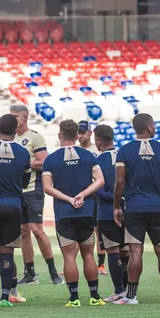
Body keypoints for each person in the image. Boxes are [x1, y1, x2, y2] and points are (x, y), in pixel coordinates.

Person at [112, 113, 160, 305]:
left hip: (134, 208)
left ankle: (132, 296)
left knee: (135, 251)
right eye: (154, 125)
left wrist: (116, 206)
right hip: (157, 207)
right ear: (148, 127)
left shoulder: (124, 150)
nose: (155, 128)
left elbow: (120, 181)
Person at [42, 120, 105, 307]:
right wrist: (83, 195)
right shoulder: (88, 156)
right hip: (86, 211)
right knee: (88, 255)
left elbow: (46, 187)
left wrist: (69, 199)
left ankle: (74, 298)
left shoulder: (51, 159)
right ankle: (94, 296)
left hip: (64, 212)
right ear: (77, 135)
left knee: (69, 256)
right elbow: (100, 180)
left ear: (60, 135)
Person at [0, 114, 30, 307]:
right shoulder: (24, 153)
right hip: (14, 205)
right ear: (16, 131)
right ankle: (6, 296)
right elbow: (25, 182)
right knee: (7, 253)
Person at [10, 105, 61, 284]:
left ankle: (53, 271)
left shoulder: (35, 137)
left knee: (37, 230)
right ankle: (30, 273)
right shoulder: (10, 137)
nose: (12, 119)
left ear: (25, 118)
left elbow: (45, 163)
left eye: (15, 116)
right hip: (16, 190)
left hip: (33, 189)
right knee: (23, 232)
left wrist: (24, 163)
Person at [93, 124, 130, 302]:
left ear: (98, 141)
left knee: (112, 250)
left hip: (107, 211)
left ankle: (119, 290)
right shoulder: (125, 156)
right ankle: (129, 290)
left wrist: (116, 199)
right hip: (129, 210)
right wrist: (124, 200)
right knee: (127, 250)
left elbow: (97, 189)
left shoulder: (97, 161)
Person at [79, 120, 106, 274]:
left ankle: (101, 265)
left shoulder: (98, 149)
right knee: (77, 228)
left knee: (98, 229)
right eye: (78, 132)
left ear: (90, 132)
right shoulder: (74, 150)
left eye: (83, 132)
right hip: (81, 191)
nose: (80, 135)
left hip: (96, 192)